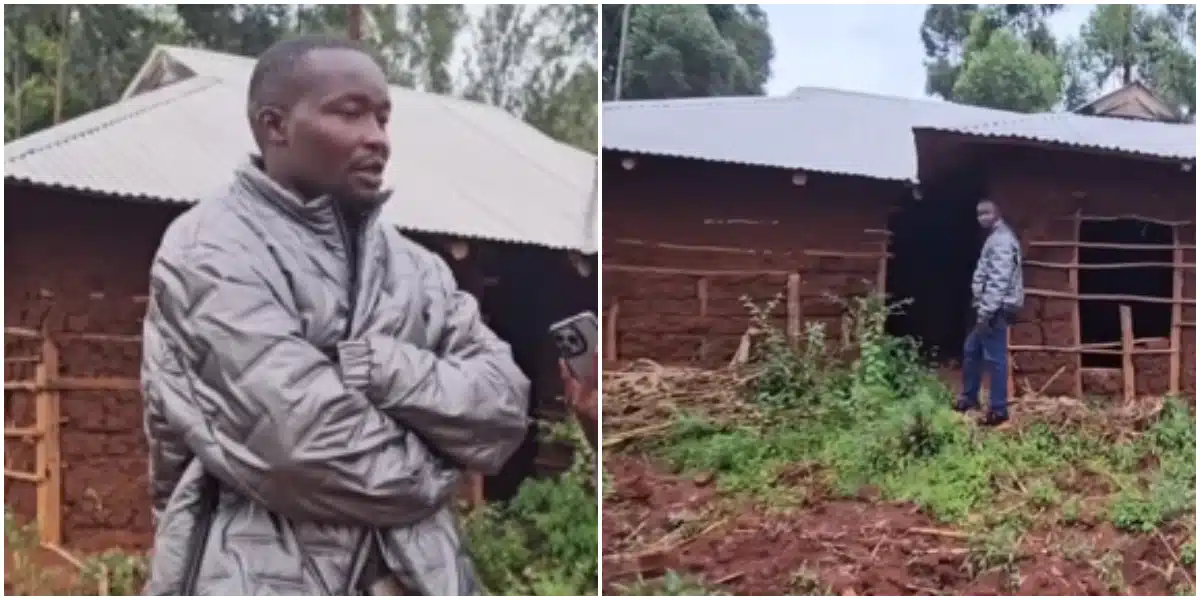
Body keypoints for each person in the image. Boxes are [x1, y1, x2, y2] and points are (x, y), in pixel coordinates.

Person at [139, 36, 531, 595]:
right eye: (350, 113)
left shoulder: (418, 270)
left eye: (383, 117)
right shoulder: (211, 250)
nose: (378, 139)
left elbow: (504, 409)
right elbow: (300, 449)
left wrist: (379, 366)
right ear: (275, 127)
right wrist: (447, 464)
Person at [956, 199, 1024, 427]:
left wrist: (986, 311)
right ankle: (969, 398)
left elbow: (998, 280)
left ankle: (998, 410)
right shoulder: (995, 238)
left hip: (996, 308)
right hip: (989, 307)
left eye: (987, 212)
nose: (982, 217)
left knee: (995, 358)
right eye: (979, 213)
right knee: (971, 349)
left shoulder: (1002, 241)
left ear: (997, 213)